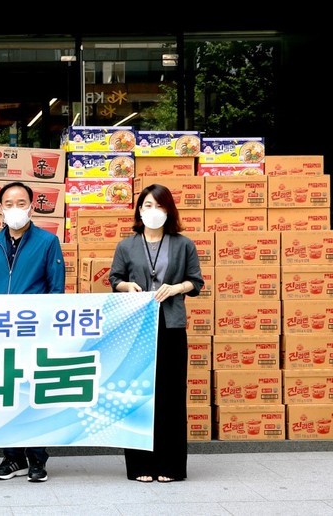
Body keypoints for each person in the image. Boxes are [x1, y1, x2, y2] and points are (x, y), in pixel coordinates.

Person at [108, 183, 203, 483]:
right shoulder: (126, 246)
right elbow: (115, 278)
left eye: (159, 206)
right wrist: (127, 286)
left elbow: (196, 282)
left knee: (170, 394)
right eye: (147, 205)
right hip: (136, 326)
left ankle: (170, 466)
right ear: (139, 210)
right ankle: (140, 465)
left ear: (169, 210)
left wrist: (176, 288)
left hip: (170, 324)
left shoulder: (183, 244)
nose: (153, 211)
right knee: (136, 393)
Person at [0, 181, 65, 483]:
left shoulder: (47, 242)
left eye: (21, 203)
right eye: (9, 203)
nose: (15, 208)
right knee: (8, 394)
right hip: (1, 330)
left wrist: (47, 326)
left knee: (34, 394)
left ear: (31, 206)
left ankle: (37, 459)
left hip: (34, 331)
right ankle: (12, 458)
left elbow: (56, 289)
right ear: (0, 208)